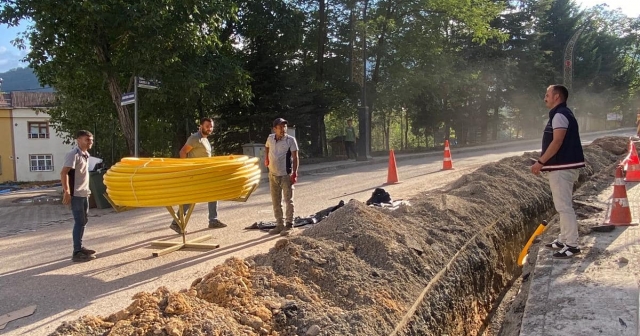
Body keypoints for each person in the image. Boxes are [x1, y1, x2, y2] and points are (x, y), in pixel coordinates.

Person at [531, 84, 585, 259]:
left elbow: (557, 141)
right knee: (562, 205)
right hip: (563, 168)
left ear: (557, 97)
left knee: (564, 206)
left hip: (563, 169)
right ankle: (563, 239)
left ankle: (572, 245)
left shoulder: (560, 115)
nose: (545, 97)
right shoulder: (560, 114)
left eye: (547, 94)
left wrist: (540, 162)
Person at [169, 117, 227, 234]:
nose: (209, 128)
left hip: (205, 174)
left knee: (212, 193)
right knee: (191, 198)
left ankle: (213, 220)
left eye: (211, 126)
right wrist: (186, 169)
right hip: (196, 175)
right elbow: (183, 152)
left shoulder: (205, 140)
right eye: (207, 126)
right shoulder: (195, 138)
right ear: (201, 126)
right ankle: (176, 222)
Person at [61, 130, 96, 262]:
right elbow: (64, 173)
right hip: (76, 194)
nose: (90, 142)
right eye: (87, 140)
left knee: (83, 221)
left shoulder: (86, 155)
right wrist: (67, 191)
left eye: (91, 140)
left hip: (84, 192)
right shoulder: (73, 154)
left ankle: (80, 247)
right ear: (78, 140)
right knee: (79, 221)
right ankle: (76, 251)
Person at [265, 118, 299, 236]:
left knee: (288, 200)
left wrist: (294, 173)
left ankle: (289, 225)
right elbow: (267, 147)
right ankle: (279, 224)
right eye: (280, 127)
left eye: (284, 127)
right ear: (275, 129)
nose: (283, 129)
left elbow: (295, 158)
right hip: (273, 174)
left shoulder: (290, 140)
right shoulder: (270, 138)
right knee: (276, 201)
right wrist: (266, 159)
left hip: (286, 174)